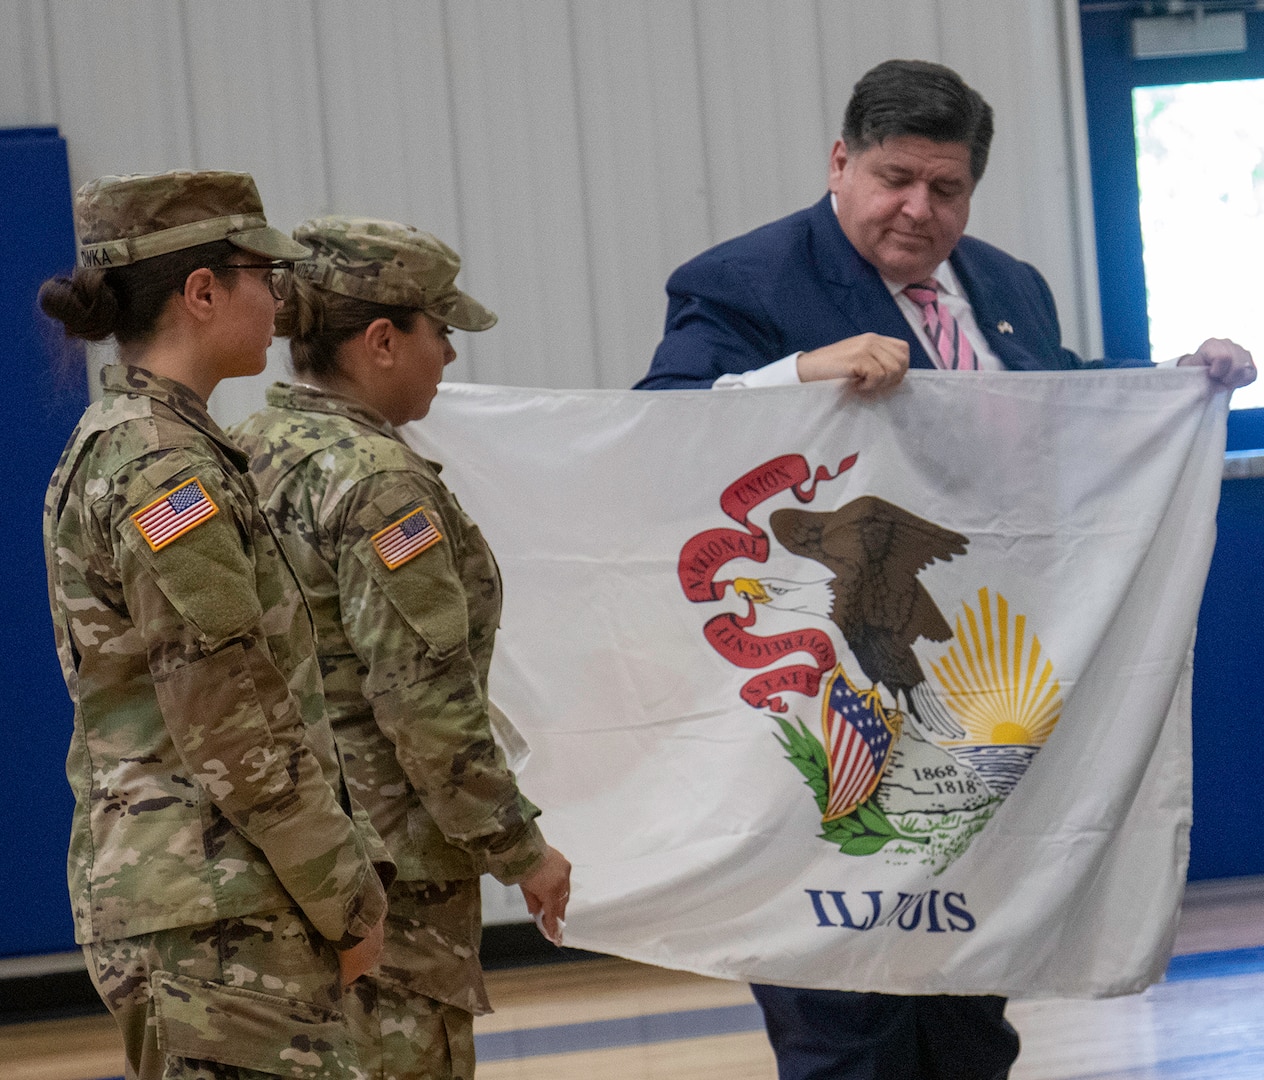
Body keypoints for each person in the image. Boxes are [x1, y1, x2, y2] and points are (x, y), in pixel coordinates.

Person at [636, 59, 1255, 1080]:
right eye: (893, 179)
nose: (918, 210)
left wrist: (1178, 385)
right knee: (844, 1016)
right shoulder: (743, 281)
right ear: (840, 163)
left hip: (971, 692)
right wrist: (796, 376)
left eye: (947, 188)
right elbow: (657, 429)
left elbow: (1054, 411)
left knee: (967, 1008)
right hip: (820, 699)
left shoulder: (1006, 286)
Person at [39, 171, 394, 1080]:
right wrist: (347, 898)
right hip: (214, 915)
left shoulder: (154, 443)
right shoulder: (164, 471)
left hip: (210, 901)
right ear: (202, 292)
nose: (280, 298)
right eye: (261, 275)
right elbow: (230, 718)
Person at [229, 216, 573, 1080]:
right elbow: (422, 699)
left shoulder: (245, 451)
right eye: (442, 332)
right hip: (393, 877)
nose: (451, 357)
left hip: (287, 850)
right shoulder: (381, 484)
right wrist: (518, 848)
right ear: (383, 340)